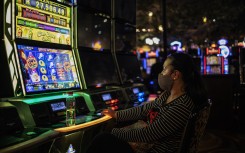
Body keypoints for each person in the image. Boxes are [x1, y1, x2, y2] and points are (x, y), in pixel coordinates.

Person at [86, 52, 208, 153]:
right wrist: (117, 115)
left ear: (175, 75)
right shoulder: (167, 95)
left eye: (164, 69)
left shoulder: (182, 105)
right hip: (148, 146)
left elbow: (149, 134)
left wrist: (113, 132)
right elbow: (144, 109)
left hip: (155, 150)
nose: (161, 74)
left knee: (102, 139)